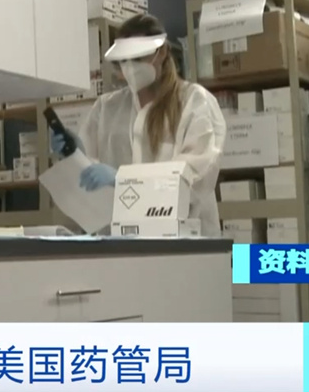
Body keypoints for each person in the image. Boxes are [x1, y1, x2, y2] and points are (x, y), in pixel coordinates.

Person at [50, 14, 226, 237]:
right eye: (123, 60)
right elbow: (90, 178)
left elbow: (194, 178)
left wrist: (123, 179)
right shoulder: (107, 108)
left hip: (183, 241)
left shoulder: (194, 103)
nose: (130, 67)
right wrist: (76, 154)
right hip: (121, 240)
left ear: (162, 52)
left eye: (138, 58)